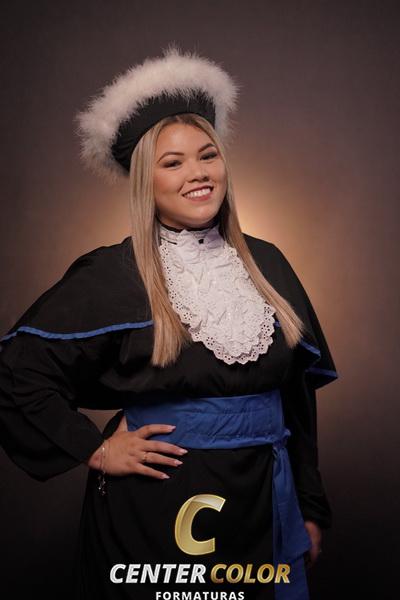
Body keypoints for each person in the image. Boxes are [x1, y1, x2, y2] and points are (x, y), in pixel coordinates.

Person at [0, 45, 338, 600]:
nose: (198, 174)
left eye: (208, 155)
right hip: (157, 509)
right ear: (145, 180)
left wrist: (309, 505)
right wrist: (97, 449)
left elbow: (295, 398)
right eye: (173, 162)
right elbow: (18, 373)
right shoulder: (112, 274)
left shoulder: (268, 262)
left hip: (264, 500)